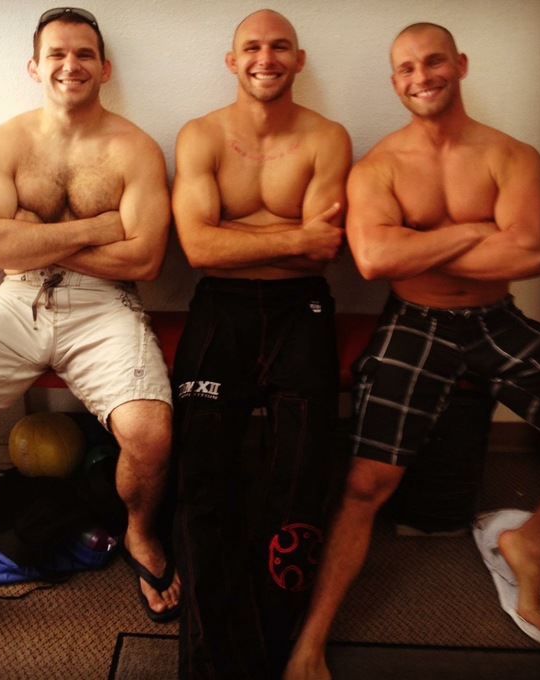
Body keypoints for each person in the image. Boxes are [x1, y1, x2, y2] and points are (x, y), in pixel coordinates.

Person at [0, 8, 180, 678]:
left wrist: (33, 234)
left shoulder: (134, 148)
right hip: (15, 300)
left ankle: (139, 534)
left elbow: (144, 260)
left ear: (104, 68)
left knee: (150, 433)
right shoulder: (5, 142)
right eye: (56, 54)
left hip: (104, 305)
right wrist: (99, 226)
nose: (70, 65)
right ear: (34, 66)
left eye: (84, 54)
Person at [284, 22, 540, 680]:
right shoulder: (379, 166)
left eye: (433, 61)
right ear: (395, 82)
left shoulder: (512, 156)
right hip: (417, 323)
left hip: (497, 319)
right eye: (407, 69)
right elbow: (375, 258)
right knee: (366, 485)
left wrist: (420, 244)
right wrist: (478, 229)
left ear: (459, 64)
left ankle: (531, 542)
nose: (422, 77)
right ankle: (310, 641)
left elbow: (535, 251)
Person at [171, 9, 352, 679]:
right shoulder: (200, 135)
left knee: (302, 472)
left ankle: (268, 649)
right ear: (232, 60)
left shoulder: (327, 137)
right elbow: (197, 248)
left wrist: (239, 238)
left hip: (302, 309)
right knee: (200, 474)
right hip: (220, 308)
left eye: (280, 47)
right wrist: (293, 237)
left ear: (298, 60)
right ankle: (212, 663)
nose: (265, 58)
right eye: (252, 47)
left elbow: (324, 251)